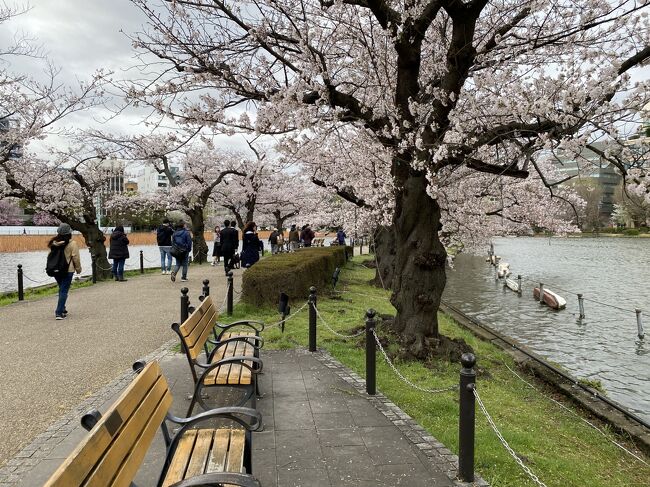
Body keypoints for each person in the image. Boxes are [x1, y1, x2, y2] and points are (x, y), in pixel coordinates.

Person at [48, 223, 81, 320]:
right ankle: (59, 312)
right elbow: (76, 258)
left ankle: (62, 308)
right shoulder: (72, 244)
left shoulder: (53, 243)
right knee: (64, 290)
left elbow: (50, 256)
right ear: (69, 233)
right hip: (68, 270)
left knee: (61, 288)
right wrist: (78, 269)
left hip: (56, 270)